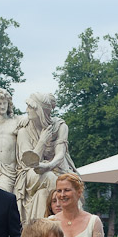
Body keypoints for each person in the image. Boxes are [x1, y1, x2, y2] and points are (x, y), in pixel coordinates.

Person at [14, 93, 77, 223]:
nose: (26, 110)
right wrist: (42, 142)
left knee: (69, 183)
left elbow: (61, 153)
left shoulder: (60, 126)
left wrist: (48, 166)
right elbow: (29, 161)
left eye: (30, 107)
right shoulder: (23, 130)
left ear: (40, 111)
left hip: (55, 166)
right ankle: (66, 222)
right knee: (50, 178)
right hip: (29, 172)